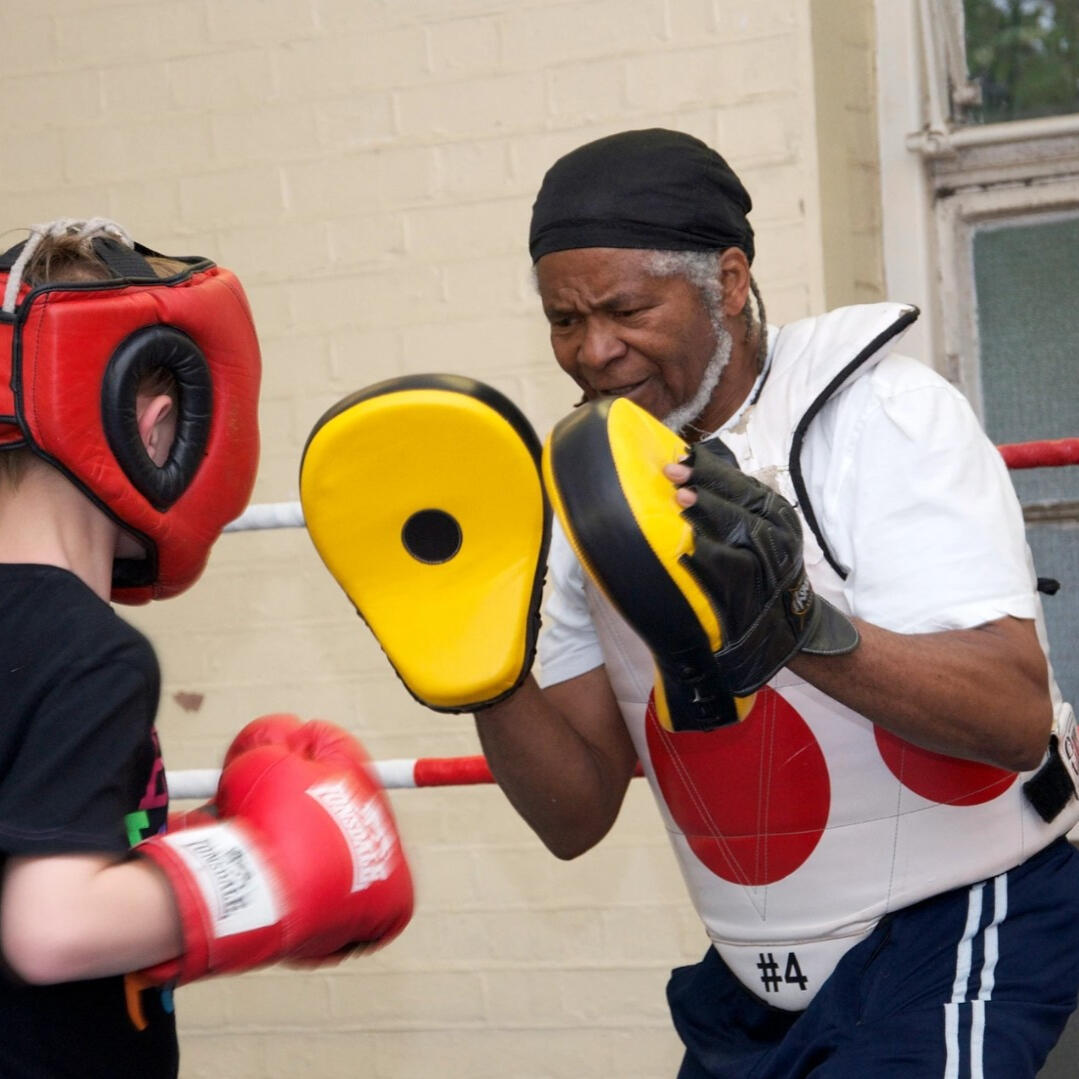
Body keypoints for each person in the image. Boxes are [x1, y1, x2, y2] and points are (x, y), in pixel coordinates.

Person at [471, 129, 1079, 1076]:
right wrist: (479, 667)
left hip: (963, 925)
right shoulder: (591, 493)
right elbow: (574, 814)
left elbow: (1009, 718)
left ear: (727, 280)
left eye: (627, 309)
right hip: (753, 985)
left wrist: (788, 622)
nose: (594, 351)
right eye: (563, 320)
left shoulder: (879, 416)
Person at [0, 219, 414, 1079]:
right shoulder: (91, 652)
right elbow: (50, 928)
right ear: (154, 429)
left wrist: (180, 847)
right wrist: (261, 869)